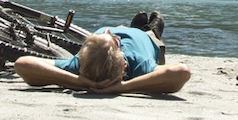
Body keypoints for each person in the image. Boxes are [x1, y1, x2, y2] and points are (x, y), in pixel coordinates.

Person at [13, 14, 191, 95]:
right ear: (124, 66)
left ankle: (135, 26)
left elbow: (22, 64)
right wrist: (122, 87)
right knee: (152, 34)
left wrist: (77, 81)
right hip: (144, 40)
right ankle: (150, 28)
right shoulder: (138, 63)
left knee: (125, 29)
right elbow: (182, 72)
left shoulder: (77, 67)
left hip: (110, 39)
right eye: (115, 40)